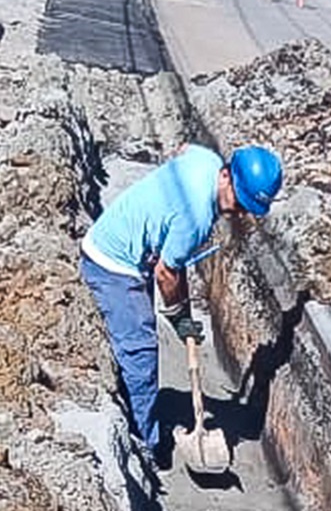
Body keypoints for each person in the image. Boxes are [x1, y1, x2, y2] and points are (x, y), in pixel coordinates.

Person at [80, 144, 285, 452]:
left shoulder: (206, 160)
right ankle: (146, 445)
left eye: (246, 208)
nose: (239, 212)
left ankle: (136, 415)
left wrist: (161, 218)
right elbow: (167, 274)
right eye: (238, 202)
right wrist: (181, 320)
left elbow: (182, 149)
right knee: (141, 353)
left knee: (136, 340)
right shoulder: (195, 217)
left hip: (127, 247)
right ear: (226, 176)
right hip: (113, 267)